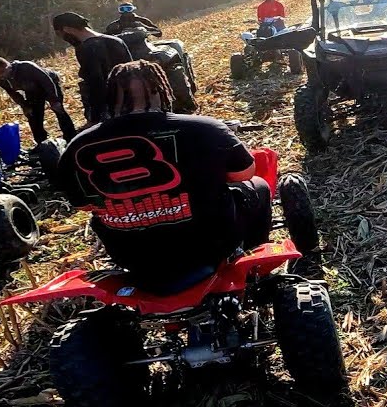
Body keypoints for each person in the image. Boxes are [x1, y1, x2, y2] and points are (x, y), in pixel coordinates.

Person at [55, 60, 272, 292]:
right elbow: (243, 173)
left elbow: (84, 206)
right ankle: (253, 268)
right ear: (161, 89)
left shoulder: (77, 145)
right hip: (210, 244)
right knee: (258, 186)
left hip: (131, 255)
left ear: (108, 96)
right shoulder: (205, 128)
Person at [52, 11, 132, 125]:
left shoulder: (85, 48)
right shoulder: (116, 41)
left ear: (67, 29)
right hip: (130, 102)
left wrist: (95, 118)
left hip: (108, 109)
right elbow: (133, 70)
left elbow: (96, 84)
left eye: (60, 34)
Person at [0, 57, 77, 142]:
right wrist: (24, 106)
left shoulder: (26, 67)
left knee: (58, 109)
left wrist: (54, 100)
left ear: (8, 67)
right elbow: (12, 93)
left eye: (2, 72)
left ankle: (71, 137)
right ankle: (41, 142)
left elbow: (46, 81)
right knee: (32, 115)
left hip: (49, 85)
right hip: (31, 91)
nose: (0, 76)